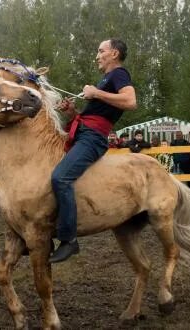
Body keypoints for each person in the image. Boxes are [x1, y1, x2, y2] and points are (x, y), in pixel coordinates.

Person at [50, 38, 137, 263]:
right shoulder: (106, 79)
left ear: (114, 54)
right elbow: (95, 114)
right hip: (83, 133)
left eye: (101, 51)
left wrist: (96, 93)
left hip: (93, 139)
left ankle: (69, 240)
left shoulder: (119, 74)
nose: (97, 56)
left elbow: (130, 101)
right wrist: (71, 112)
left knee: (60, 178)